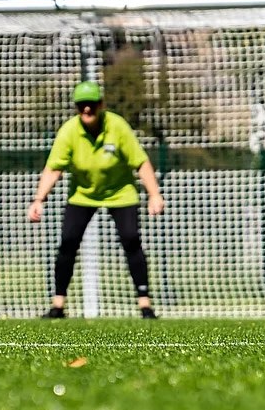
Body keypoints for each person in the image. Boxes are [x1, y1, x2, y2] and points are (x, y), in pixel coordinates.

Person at [27, 81, 166, 319]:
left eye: (91, 105)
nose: (87, 110)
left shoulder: (117, 126)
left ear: (100, 105)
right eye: (82, 106)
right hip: (83, 194)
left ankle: (145, 304)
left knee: (131, 240)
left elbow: (140, 161)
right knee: (68, 242)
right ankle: (57, 305)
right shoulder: (69, 131)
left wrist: (154, 194)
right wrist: (39, 199)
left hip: (121, 193)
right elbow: (54, 168)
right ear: (76, 108)